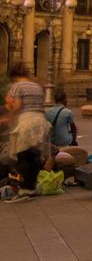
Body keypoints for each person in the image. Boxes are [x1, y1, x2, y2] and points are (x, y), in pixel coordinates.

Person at [2, 64, 50, 203]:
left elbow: (17, 106)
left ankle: (24, 190)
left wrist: (10, 112)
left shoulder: (17, 86)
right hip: (40, 121)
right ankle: (31, 188)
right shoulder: (37, 86)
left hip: (26, 121)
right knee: (33, 156)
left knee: (22, 156)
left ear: (13, 76)